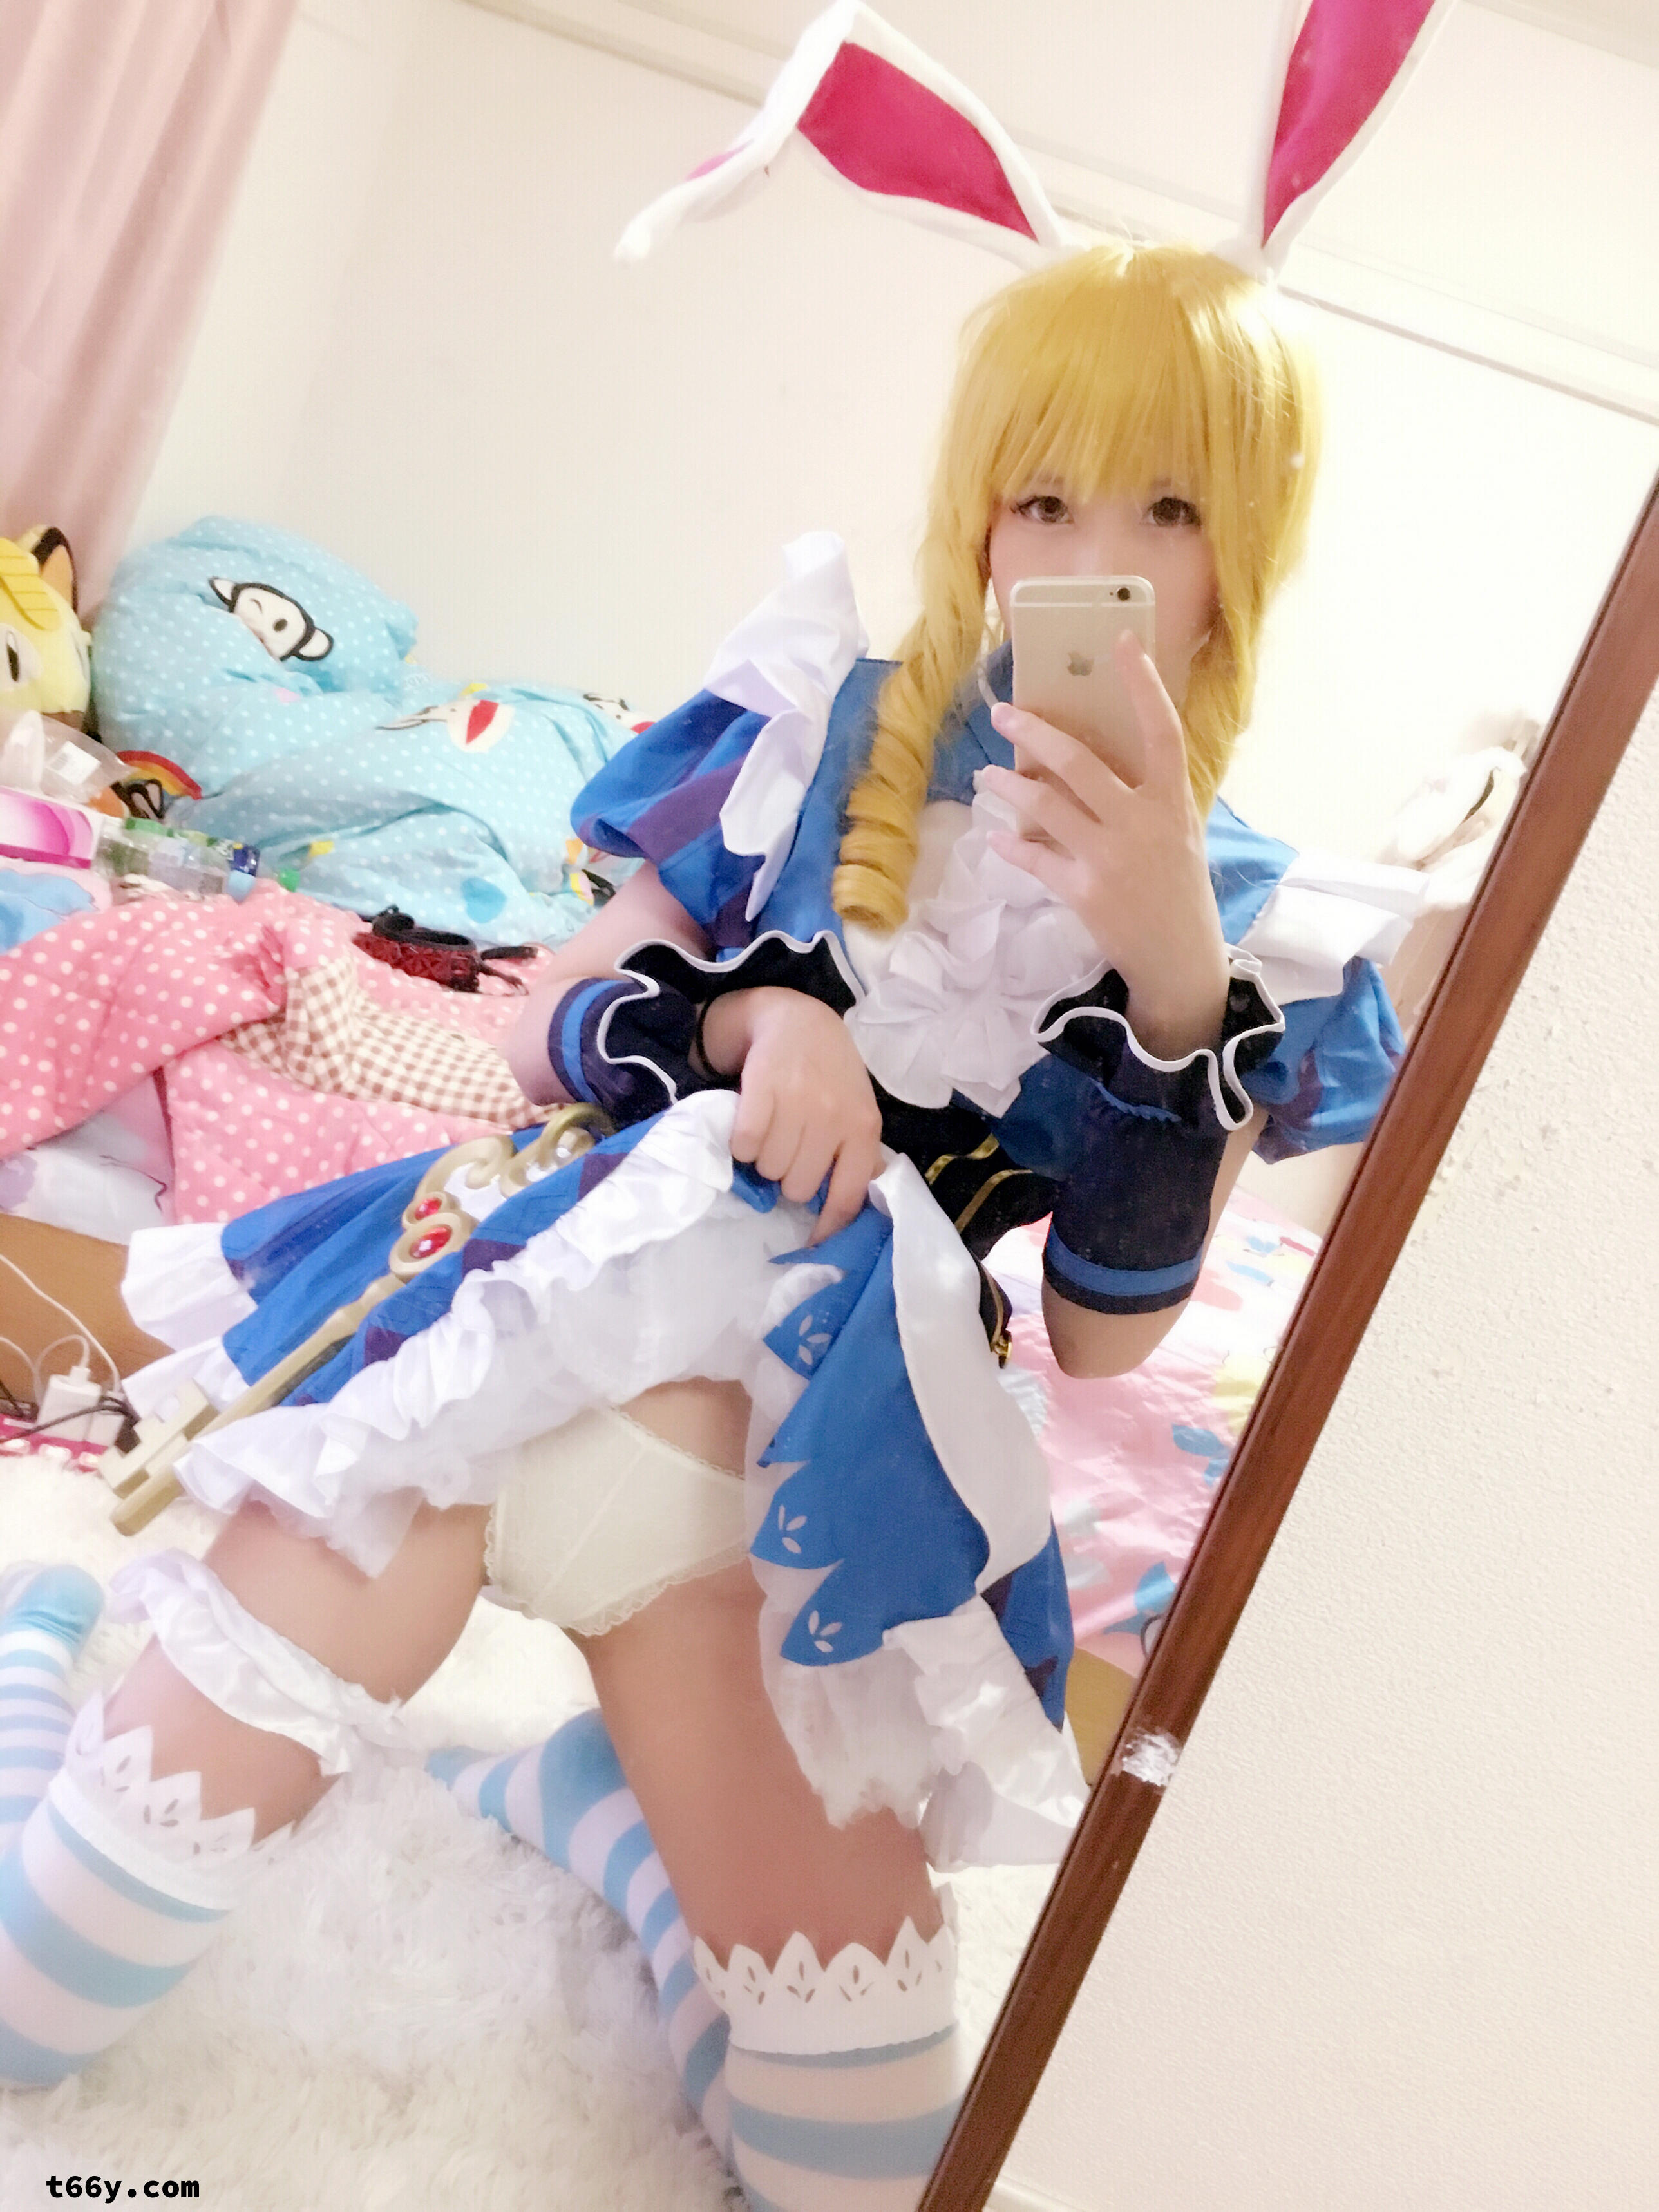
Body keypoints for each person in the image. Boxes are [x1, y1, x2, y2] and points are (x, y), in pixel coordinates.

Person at [0, 243, 1401, 2210]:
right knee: (26, 2006)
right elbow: (539, 1022)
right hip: (504, 1384)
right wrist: (755, 1023)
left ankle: (595, 1800)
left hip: (778, 1538)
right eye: (1047, 496)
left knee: (854, 2178)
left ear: (1243, 547)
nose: (1097, 556)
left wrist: (1173, 968)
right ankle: (51, 1647)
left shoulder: (1242, 920)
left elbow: (1103, 1334)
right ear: (980, 513)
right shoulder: (814, 717)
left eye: (1167, 508)